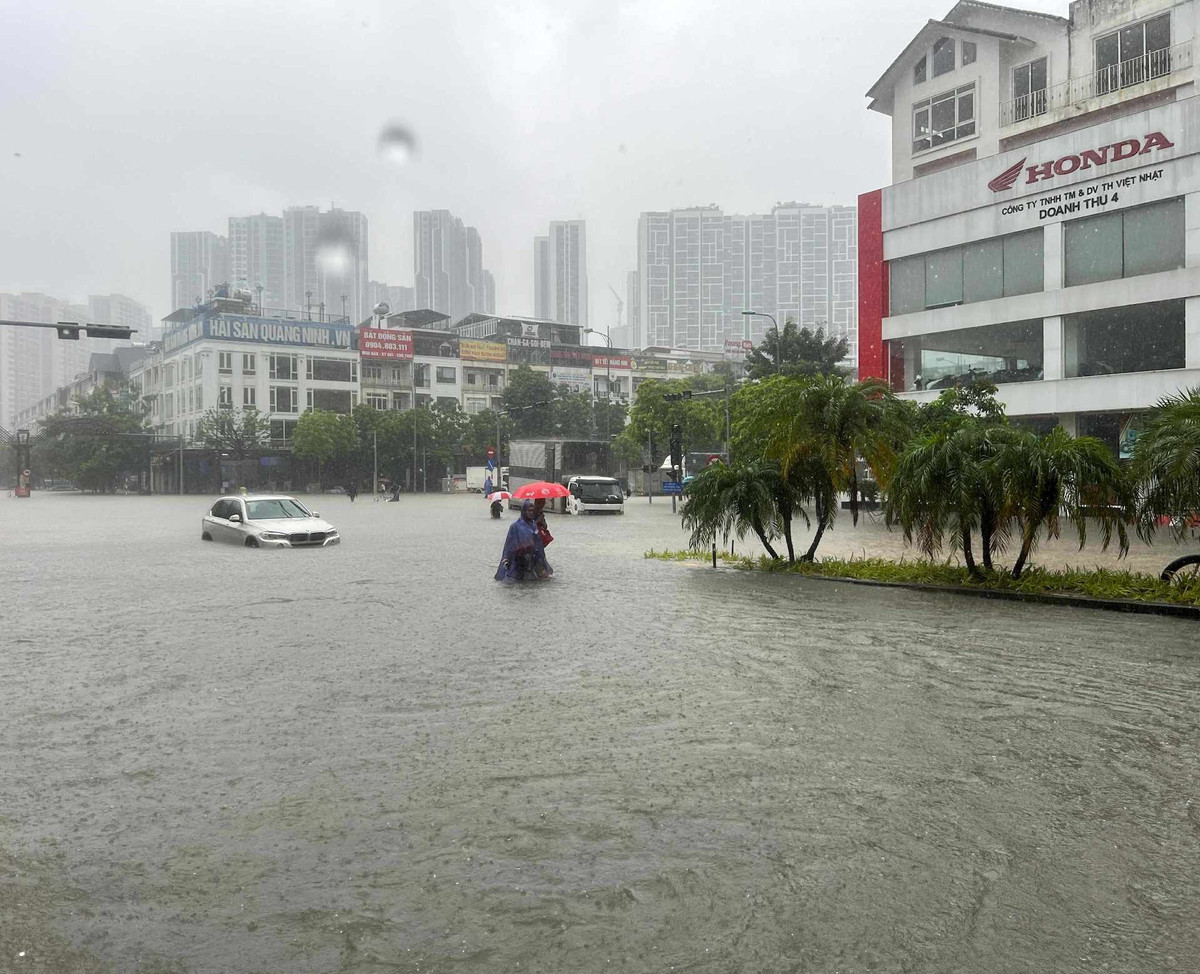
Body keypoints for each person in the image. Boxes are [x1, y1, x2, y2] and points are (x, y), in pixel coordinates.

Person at [495, 499, 553, 581]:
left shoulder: (533, 525)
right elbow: (509, 544)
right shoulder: (515, 526)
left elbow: (538, 542)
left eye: (533, 511)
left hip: (532, 558)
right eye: (529, 511)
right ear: (524, 511)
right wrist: (508, 559)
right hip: (519, 559)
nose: (531, 513)